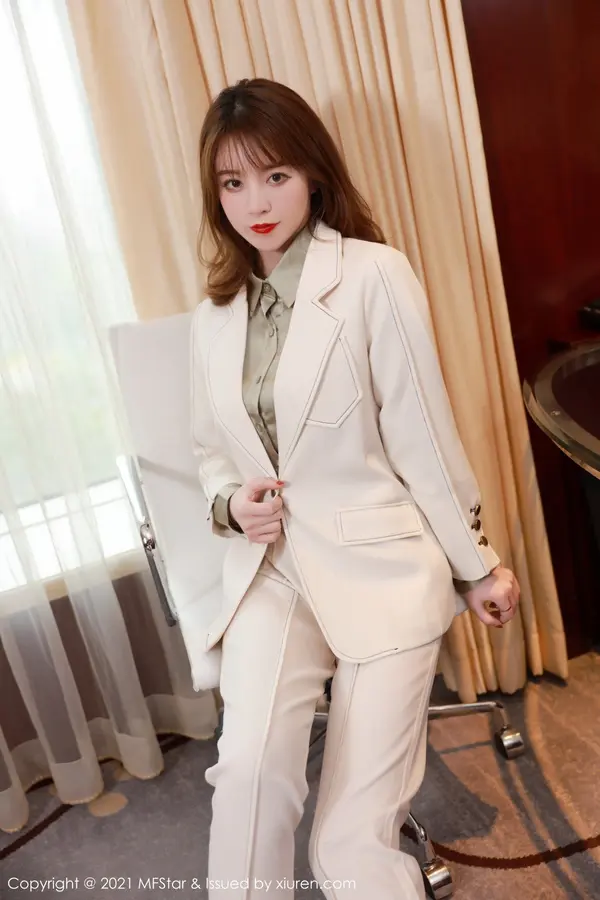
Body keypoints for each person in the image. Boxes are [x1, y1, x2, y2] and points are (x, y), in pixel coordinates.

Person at [191, 77, 520, 900]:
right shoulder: (214, 315)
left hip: (382, 568)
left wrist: (477, 563)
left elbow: (423, 436)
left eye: (275, 175)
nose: (255, 202)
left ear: (312, 173)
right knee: (247, 779)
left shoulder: (373, 275)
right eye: (233, 182)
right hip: (274, 573)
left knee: (346, 842)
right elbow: (209, 454)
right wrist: (231, 504)